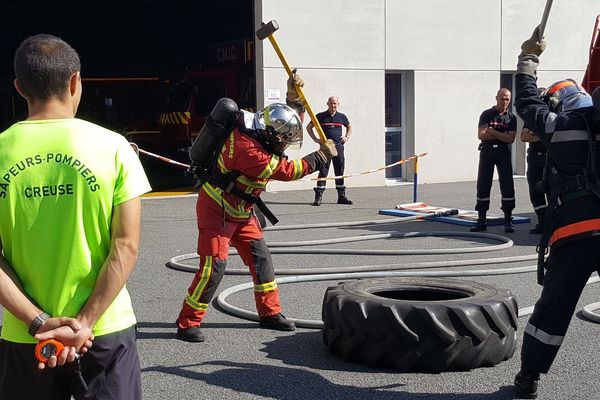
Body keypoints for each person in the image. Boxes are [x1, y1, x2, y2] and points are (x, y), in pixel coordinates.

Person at [0, 34, 151, 400]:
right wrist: (84, 322)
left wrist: (38, 321)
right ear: (75, 81)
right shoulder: (113, 146)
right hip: (105, 330)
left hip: (26, 337)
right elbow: (125, 246)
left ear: (20, 88)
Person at [175, 74, 337, 343]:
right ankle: (187, 321)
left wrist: (292, 98)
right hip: (217, 209)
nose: (284, 146)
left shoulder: (260, 124)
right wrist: (320, 157)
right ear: (271, 136)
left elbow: (286, 122)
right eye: (283, 142)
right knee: (213, 267)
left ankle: (270, 314)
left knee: (262, 261)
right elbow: (287, 170)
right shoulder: (248, 150)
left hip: (242, 210)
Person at [513, 27, 600, 399]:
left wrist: (528, 60)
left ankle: (529, 377)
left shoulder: (561, 128)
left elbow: (527, 105)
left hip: (576, 234)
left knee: (553, 309)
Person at [471, 88, 517, 233]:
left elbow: (510, 139)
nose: (505, 102)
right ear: (496, 98)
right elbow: (481, 135)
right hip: (487, 152)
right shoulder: (487, 114)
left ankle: (508, 220)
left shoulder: (511, 118)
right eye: (502, 98)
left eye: (507, 99)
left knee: (507, 184)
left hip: (503, 153)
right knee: (483, 183)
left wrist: (492, 131)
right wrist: (501, 135)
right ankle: (481, 219)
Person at [306, 96, 353, 206]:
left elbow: (349, 126)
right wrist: (315, 139)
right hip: (326, 149)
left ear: (338, 104)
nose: (333, 105)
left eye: (335, 103)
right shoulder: (320, 116)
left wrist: (347, 137)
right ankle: (319, 197)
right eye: (331, 103)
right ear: (327, 104)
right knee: (323, 171)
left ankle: (341, 196)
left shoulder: (342, 117)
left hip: (339, 148)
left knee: (339, 171)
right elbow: (309, 127)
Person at [520, 98, 548, 234]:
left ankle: (554, 221)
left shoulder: (551, 115)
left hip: (550, 158)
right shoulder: (532, 118)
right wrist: (542, 135)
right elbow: (524, 136)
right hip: (534, 157)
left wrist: (535, 133)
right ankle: (542, 221)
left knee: (553, 190)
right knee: (535, 190)